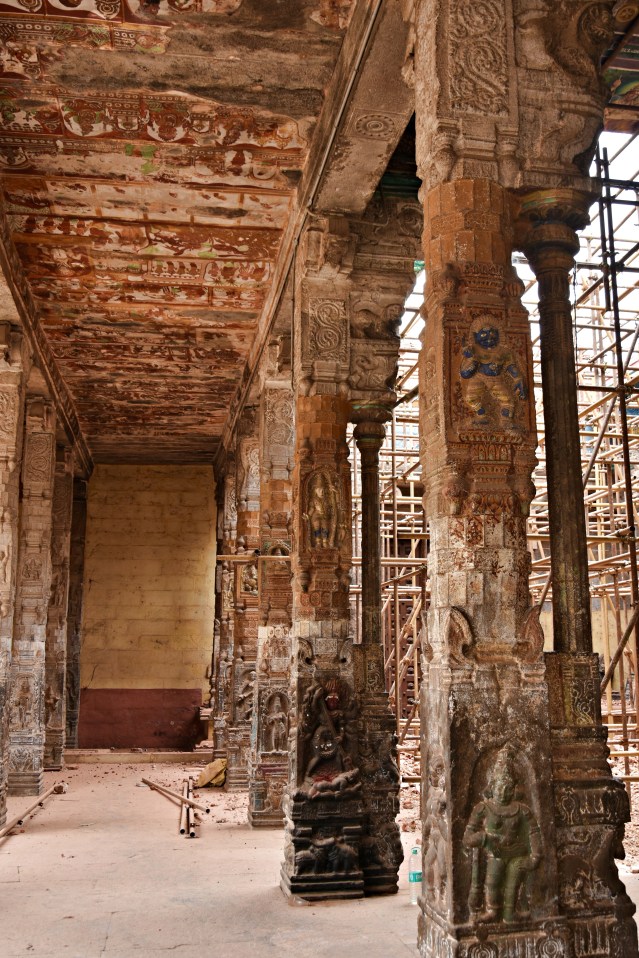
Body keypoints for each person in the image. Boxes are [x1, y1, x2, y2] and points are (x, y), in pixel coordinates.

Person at [463, 749, 541, 923]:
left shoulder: (521, 809)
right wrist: (485, 838)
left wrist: (535, 856)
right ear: (492, 787)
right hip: (495, 855)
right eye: (499, 787)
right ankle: (492, 911)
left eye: (508, 788)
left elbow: (534, 832)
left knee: (512, 884)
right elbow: (467, 837)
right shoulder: (484, 808)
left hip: (518, 854)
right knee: (492, 882)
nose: (503, 792)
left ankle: (510, 913)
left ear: (513, 789)